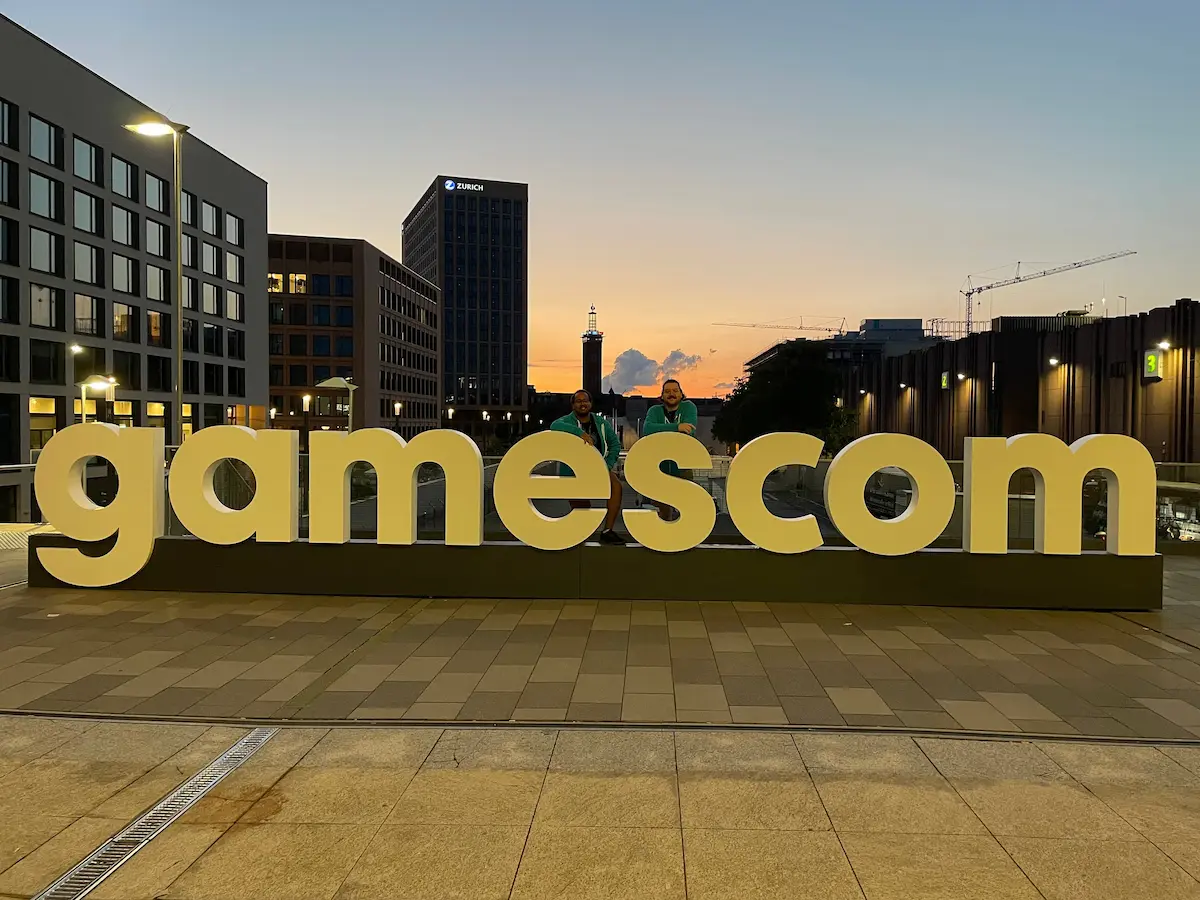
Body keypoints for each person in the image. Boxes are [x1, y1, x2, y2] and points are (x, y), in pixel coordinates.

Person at [550, 389, 627, 544]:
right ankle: (582, 531)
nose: (582, 404)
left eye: (585, 400)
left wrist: (607, 465)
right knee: (582, 506)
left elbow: (615, 445)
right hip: (575, 470)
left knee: (616, 487)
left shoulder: (601, 423)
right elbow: (554, 425)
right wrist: (579, 433)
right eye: (578, 401)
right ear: (573, 405)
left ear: (590, 403)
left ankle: (608, 531)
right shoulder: (567, 421)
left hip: (598, 467)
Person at [640, 379, 699, 520]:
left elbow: (689, 430)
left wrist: (660, 430)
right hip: (659, 467)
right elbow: (647, 429)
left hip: (682, 466)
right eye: (667, 391)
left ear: (681, 394)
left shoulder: (689, 407)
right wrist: (677, 427)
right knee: (662, 511)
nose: (671, 394)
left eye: (675, 391)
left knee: (686, 509)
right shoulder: (654, 411)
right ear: (662, 395)